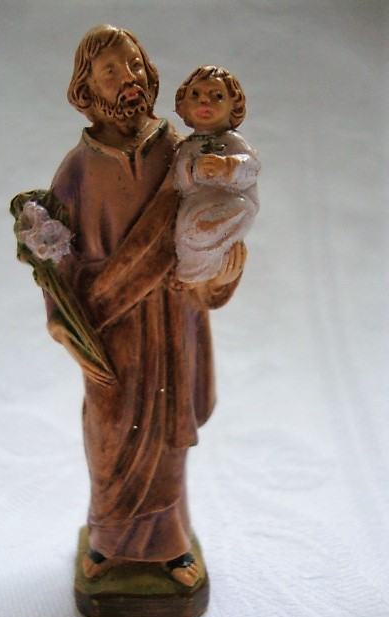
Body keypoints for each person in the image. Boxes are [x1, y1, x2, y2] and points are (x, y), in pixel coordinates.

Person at [41, 25, 247, 587]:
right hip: (107, 329)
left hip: (171, 320)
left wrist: (220, 274)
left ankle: (170, 546)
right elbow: (53, 260)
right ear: (87, 89)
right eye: (111, 71)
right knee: (109, 434)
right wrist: (64, 323)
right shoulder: (77, 170)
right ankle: (108, 542)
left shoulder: (183, 155)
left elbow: (209, 233)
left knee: (164, 436)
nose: (128, 79)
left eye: (134, 65)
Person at [173, 66, 260, 284]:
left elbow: (252, 167)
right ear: (183, 105)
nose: (204, 101)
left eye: (217, 96)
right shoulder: (186, 147)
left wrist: (227, 166)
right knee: (187, 232)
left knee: (231, 213)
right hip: (194, 209)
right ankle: (193, 269)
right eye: (195, 95)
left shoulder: (232, 141)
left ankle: (208, 265)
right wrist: (193, 171)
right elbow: (180, 183)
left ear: (233, 106)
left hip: (231, 204)